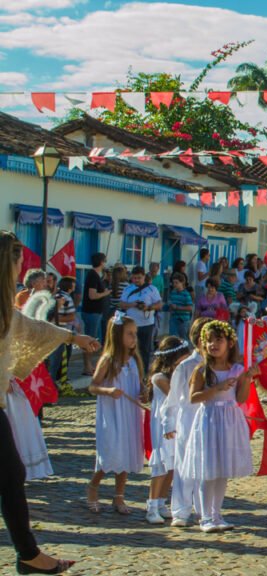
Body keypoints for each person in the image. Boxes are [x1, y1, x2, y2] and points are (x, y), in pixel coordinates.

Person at [0, 231, 100, 574]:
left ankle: (28, 554)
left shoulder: (4, 306)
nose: (21, 268)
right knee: (10, 474)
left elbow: (31, 328)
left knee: (11, 474)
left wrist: (74, 337)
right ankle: (28, 554)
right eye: (18, 261)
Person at [179, 321, 259, 533]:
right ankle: (205, 516)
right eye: (209, 340)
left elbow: (241, 398)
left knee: (223, 469)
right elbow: (194, 397)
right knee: (209, 468)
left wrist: (248, 379)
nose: (213, 344)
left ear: (230, 343)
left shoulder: (237, 369)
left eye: (218, 340)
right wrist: (216, 388)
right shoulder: (202, 370)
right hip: (210, 418)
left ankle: (217, 513)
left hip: (230, 419)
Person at [86, 312, 146, 515]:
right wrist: (108, 391)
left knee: (126, 451)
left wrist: (143, 392)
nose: (134, 338)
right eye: (130, 334)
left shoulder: (134, 360)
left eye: (135, 334)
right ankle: (93, 486)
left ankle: (119, 495)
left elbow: (137, 385)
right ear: (117, 335)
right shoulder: (108, 360)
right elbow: (93, 387)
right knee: (111, 450)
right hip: (112, 413)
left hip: (129, 413)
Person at [161, 317, 211, 528]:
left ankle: (204, 509)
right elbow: (172, 398)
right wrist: (168, 423)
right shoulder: (186, 366)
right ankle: (180, 510)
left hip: (209, 419)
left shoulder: (217, 365)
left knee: (206, 464)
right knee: (184, 464)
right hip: (188, 418)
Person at [145, 336, 190, 525]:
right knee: (161, 465)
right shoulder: (159, 378)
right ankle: (151, 507)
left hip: (176, 423)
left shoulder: (176, 376)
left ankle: (162, 502)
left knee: (172, 465)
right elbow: (176, 396)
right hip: (162, 426)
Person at [119, 266, 162, 369]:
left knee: (145, 350)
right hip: (131, 324)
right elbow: (121, 304)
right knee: (130, 348)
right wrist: (132, 304)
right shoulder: (128, 289)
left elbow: (159, 304)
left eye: (139, 277)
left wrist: (148, 307)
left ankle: (143, 373)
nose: (136, 280)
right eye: (134, 278)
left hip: (147, 324)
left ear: (144, 277)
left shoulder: (152, 289)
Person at [82, 252, 111, 373]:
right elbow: (92, 295)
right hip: (92, 312)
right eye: (104, 261)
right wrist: (106, 293)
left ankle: (89, 366)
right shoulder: (93, 275)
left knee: (93, 340)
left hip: (95, 312)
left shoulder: (95, 275)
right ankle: (87, 367)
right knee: (90, 340)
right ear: (101, 262)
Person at [166, 273, 193, 340]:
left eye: (176, 283)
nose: (174, 284)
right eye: (173, 283)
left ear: (182, 283)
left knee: (183, 339)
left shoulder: (186, 294)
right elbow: (170, 304)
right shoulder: (173, 293)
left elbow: (190, 308)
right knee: (173, 338)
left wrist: (177, 307)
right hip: (174, 318)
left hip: (183, 320)